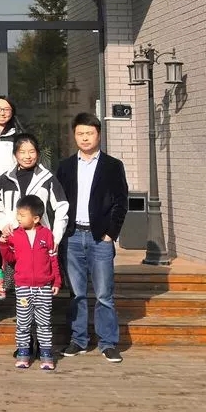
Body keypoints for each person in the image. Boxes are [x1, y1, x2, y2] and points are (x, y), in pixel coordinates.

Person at [56, 112, 128, 364]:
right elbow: (58, 202)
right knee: (76, 293)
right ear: (74, 136)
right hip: (73, 236)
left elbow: (121, 202)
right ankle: (78, 339)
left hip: (100, 238)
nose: (85, 138)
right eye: (80, 133)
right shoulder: (65, 166)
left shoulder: (112, 165)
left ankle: (108, 343)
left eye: (89, 133)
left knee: (104, 294)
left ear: (98, 135)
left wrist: (110, 234)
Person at [0, 195, 62, 370]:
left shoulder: (47, 235)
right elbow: (10, 258)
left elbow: (53, 260)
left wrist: (56, 281)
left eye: (22, 215)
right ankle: (23, 353)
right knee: (23, 323)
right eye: (17, 214)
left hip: (43, 287)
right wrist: (3, 244)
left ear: (36, 218)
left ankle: (46, 354)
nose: (18, 218)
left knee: (44, 323)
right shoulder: (15, 235)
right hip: (23, 287)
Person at [0, 133, 69, 248]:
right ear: (15, 154)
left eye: (32, 152)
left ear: (38, 153)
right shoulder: (4, 180)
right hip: (12, 240)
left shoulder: (47, 178)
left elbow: (61, 207)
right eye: (22, 152)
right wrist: (3, 224)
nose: (27, 156)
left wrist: (56, 237)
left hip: (40, 242)